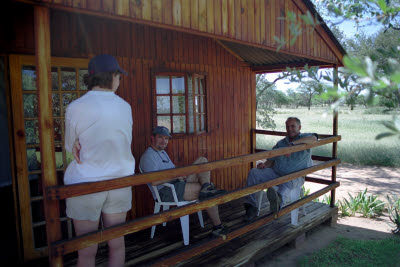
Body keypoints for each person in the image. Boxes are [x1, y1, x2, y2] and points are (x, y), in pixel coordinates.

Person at [64, 54, 135, 267]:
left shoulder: (75, 107)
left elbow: (70, 148)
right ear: (112, 76)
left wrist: (76, 142)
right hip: (119, 182)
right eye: (119, 76)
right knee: (117, 244)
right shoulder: (125, 106)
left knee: (86, 250)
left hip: (86, 183)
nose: (119, 81)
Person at [139, 126, 228, 237]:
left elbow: (172, 170)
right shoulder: (148, 156)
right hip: (166, 191)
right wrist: (177, 176)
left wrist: (183, 173)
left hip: (178, 184)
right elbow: (154, 181)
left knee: (202, 160)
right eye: (160, 137)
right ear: (153, 138)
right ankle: (217, 227)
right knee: (207, 192)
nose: (164, 141)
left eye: (166, 138)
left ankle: (206, 187)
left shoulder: (162, 152)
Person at [244, 117, 318, 221]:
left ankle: (278, 204)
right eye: (287, 126)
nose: (290, 129)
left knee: (287, 183)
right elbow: (271, 160)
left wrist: (292, 145)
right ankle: (251, 206)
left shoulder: (305, 138)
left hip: (295, 177)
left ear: (299, 127)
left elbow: (314, 139)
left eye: (293, 126)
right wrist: (264, 165)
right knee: (253, 173)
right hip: (276, 173)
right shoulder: (281, 143)